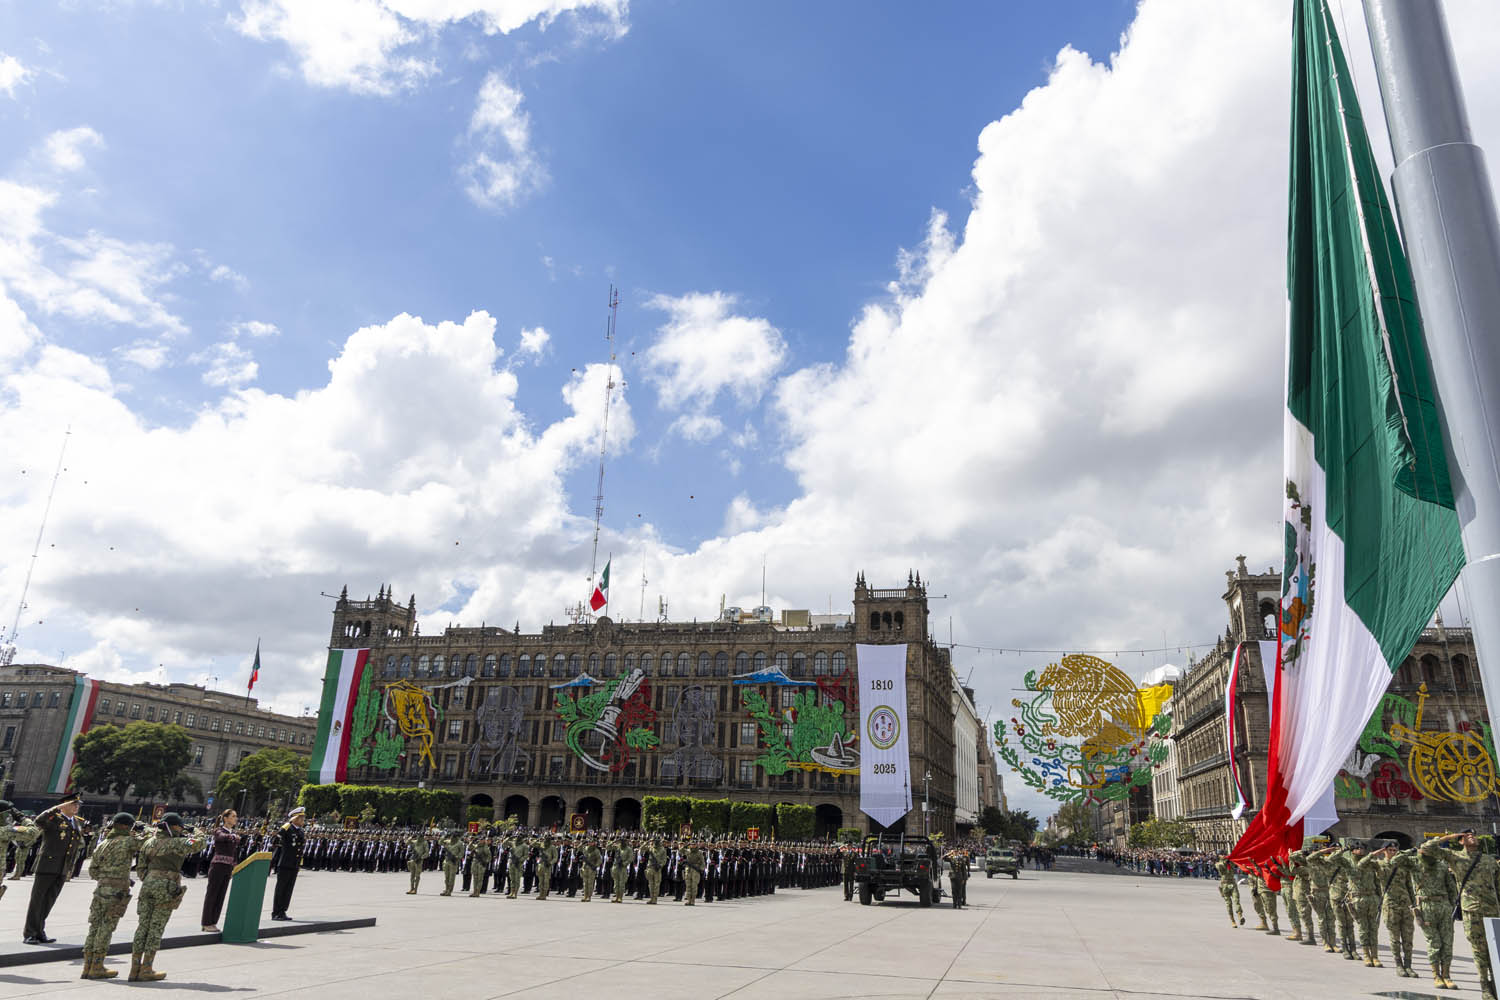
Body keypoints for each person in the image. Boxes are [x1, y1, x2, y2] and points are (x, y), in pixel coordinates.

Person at [1423, 830, 1500, 1000]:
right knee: (1479, 950)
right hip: (1472, 911)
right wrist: (1449, 837)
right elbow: (1427, 848)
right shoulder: (1455, 857)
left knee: (1495, 950)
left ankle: (1497, 983)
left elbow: (1498, 886)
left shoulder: (1489, 860)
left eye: (1473, 834)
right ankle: (1485, 987)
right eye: (1466, 835)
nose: (1471, 836)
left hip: (1493, 911)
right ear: (1460, 841)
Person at [130, 814, 207, 982]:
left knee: (143, 927)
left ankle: (134, 968)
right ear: (172, 827)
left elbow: (140, 867)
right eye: (179, 826)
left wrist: (151, 879)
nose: (181, 829)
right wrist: (195, 830)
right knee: (156, 927)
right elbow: (201, 843)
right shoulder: (177, 842)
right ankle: (146, 968)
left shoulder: (148, 842)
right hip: (166, 887)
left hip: (147, 886)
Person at [80, 813, 146, 980]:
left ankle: (87, 966)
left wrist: (106, 878)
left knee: (94, 927)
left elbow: (93, 870)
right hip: (116, 893)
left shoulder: (103, 844)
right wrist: (145, 830)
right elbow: (147, 843)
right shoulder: (128, 841)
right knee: (106, 927)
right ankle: (97, 966)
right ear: (125, 826)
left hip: (101, 889)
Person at [22, 792, 83, 945]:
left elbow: (75, 845)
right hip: (47, 865)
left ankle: (39, 931)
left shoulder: (75, 822)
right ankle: (30, 933)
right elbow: (39, 821)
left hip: (62, 867)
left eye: (77, 805)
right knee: (37, 901)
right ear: (64, 805)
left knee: (48, 901)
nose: (76, 807)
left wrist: (70, 867)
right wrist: (56, 808)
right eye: (73, 804)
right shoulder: (54, 818)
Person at [1408, 839, 1458, 989]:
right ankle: (1436, 976)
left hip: (1444, 906)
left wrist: (1452, 907)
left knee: (1447, 943)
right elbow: (1395, 861)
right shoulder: (1414, 864)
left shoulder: (1442, 866)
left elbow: (1451, 888)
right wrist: (1413, 851)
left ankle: (1446, 975)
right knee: (1434, 943)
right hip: (1425, 907)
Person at [1374, 844, 1418, 978]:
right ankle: (1398, 965)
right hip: (1391, 905)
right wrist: (1377, 852)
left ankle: (1408, 965)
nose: (1393, 852)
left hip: (1406, 905)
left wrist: (1414, 904)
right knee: (1395, 938)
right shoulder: (1379, 865)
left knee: (1408, 937)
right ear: (1384, 851)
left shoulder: (1403, 866)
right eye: (1390, 850)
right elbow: (1361, 865)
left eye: (1395, 850)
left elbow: (1409, 886)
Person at [200, 808, 242, 932]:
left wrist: (235, 866)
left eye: (236, 816)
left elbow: (234, 852)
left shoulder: (232, 833)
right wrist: (233, 836)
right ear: (225, 818)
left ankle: (213, 922)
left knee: (221, 896)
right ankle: (206, 923)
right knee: (212, 894)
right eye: (233, 816)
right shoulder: (219, 830)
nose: (235, 818)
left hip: (228, 867)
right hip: (217, 866)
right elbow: (221, 837)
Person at [270, 807, 307, 921]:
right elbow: (275, 840)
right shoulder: (287, 828)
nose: (303, 820)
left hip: (294, 864)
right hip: (285, 863)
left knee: (288, 889)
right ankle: (276, 912)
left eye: (303, 818)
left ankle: (283, 911)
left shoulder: (301, 831)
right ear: (295, 818)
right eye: (301, 818)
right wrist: (285, 826)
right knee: (281, 889)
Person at [1214, 855, 1244, 927]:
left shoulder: (1230, 862)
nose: (1224, 856)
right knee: (1229, 904)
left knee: (1236, 900)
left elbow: (1235, 862)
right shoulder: (1218, 864)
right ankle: (1233, 920)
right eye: (1221, 855)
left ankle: (1240, 916)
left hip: (1232, 884)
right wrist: (1225, 861)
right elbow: (1220, 866)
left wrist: (1229, 860)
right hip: (1224, 885)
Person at [682, 841, 704, 906]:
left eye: (694, 844)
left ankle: (693, 900)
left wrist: (701, 869)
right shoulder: (688, 851)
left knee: (694, 886)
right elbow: (680, 851)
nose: (692, 845)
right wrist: (685, 845)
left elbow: (702, 862)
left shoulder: (699, 852)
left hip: (695, 870)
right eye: (691, 844)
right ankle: (689, 900)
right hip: (688, 870)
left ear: (696, 845)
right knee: (688, 886)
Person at [581, 838, 602, 903]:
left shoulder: (596, 850)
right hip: (585, 867)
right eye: (589, 842)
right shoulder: (585, 848)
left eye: (592, 842)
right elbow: (578, 848)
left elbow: (599, 860)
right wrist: (582, 843)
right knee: (585, 883)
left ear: (594, 843)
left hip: (591, 868)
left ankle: (589, 897)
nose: (590, 843)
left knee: (590, 883)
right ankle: (585, 896)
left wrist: (596, 866)